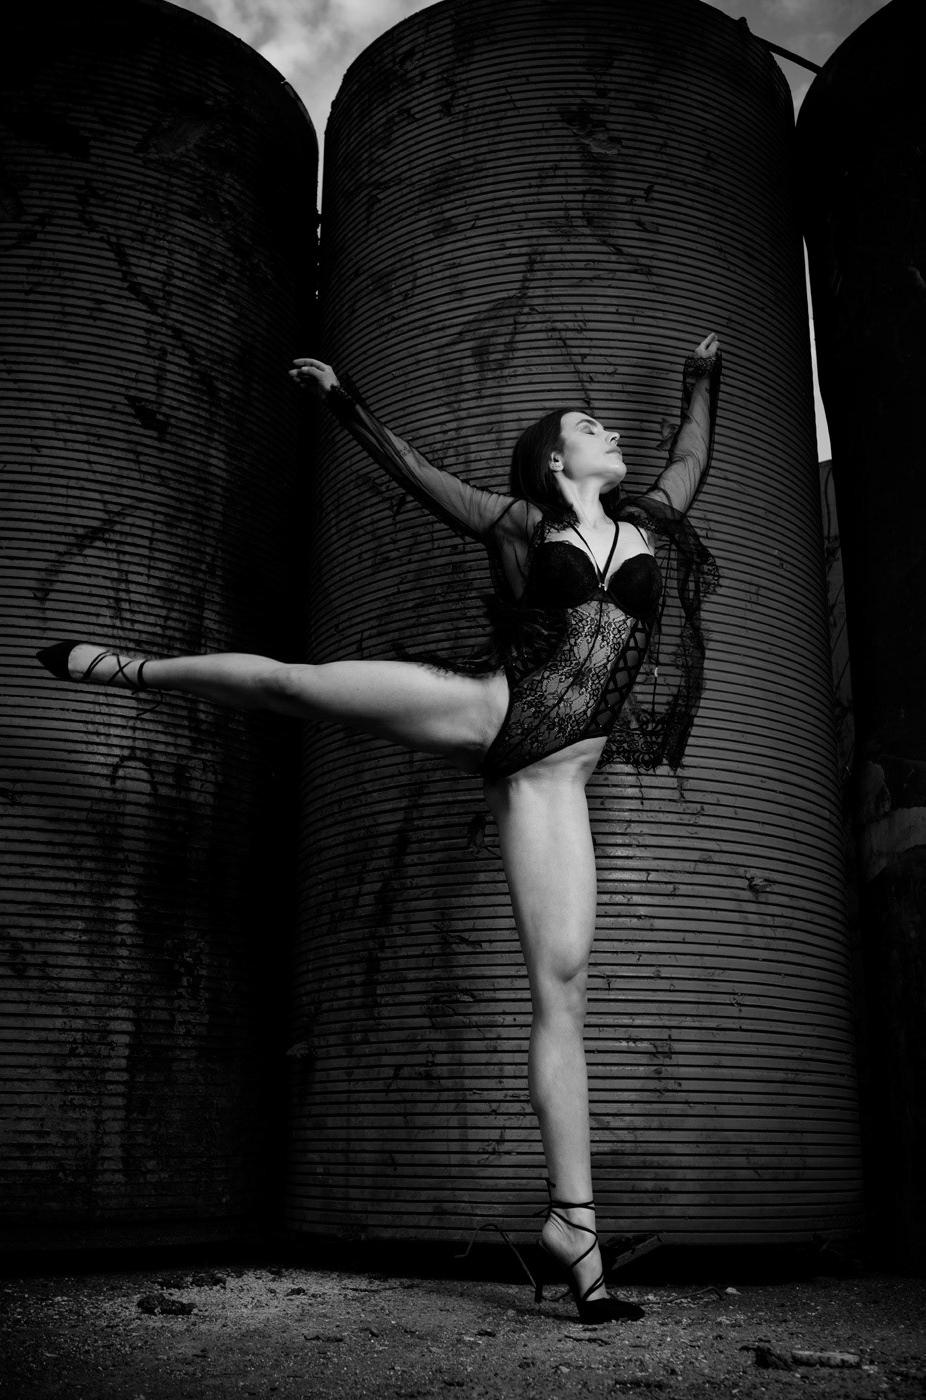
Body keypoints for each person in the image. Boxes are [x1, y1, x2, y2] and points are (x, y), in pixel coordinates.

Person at [36, 333, 721, 1325]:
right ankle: (129, 668)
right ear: (553, 457)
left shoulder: (651, 520)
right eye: (589, 425)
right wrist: (341, 400)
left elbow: (692, 454)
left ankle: (574, 1226)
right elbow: (420, 477)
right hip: (493, 709)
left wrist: (700, 379)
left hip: (556, 777)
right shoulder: (521, 521)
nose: (608, 431)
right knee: (298, 684)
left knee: (562, 993)